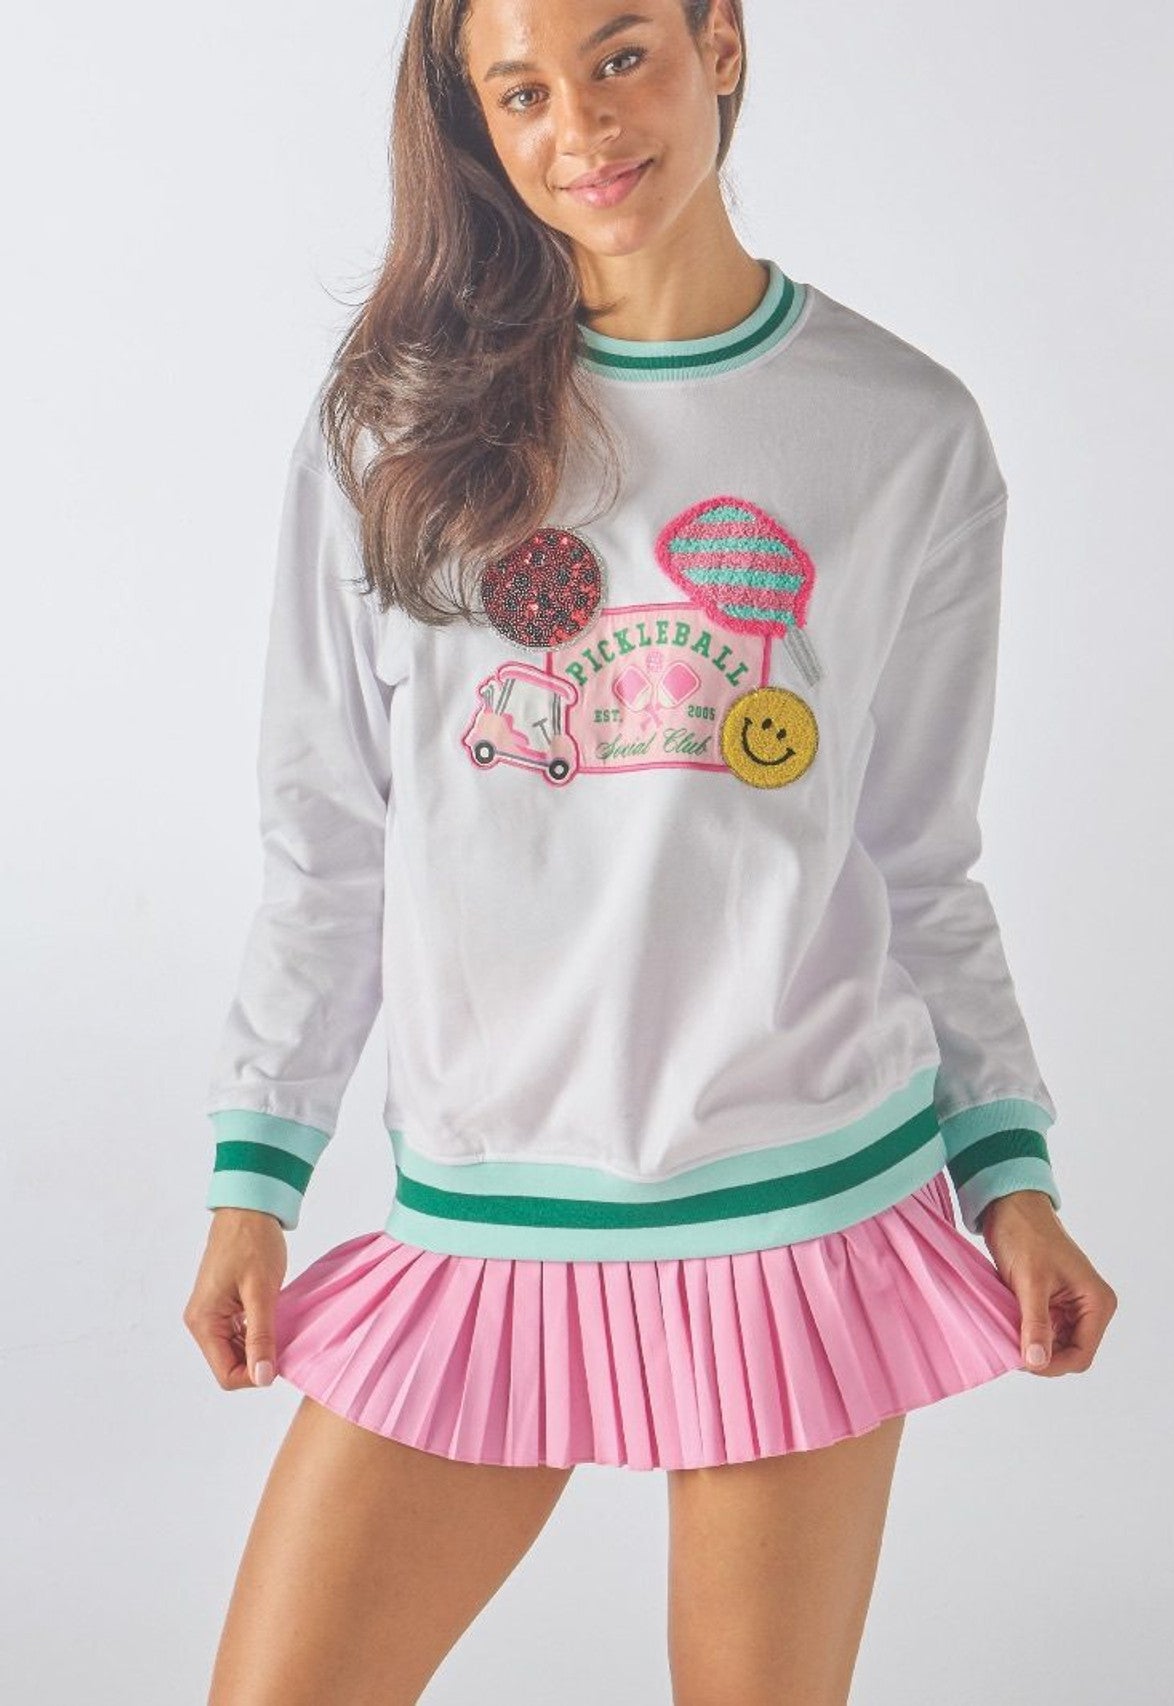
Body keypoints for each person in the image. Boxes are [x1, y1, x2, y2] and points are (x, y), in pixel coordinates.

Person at [183, 1, 1118, 1700]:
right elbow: (326, 838)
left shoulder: (905, 431)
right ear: (478, 123)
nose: (583, 129)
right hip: (483, 1209)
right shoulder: (392, 433)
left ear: (721, 42)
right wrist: (260, 1176)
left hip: (803, 1209)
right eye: (522, 91)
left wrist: (1014, 1173)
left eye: (622, 57)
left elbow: (919, 854)